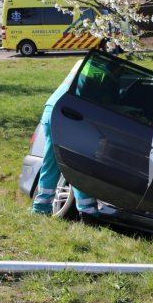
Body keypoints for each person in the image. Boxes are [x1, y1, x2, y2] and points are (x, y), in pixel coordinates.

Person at [31, 60, 100, 223]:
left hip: (52, 110)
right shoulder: (102, 71)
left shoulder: (83, 62)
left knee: (51, 163)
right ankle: (88, 214)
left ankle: (40, 209)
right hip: (68, 115)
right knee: (76, 164)